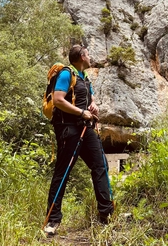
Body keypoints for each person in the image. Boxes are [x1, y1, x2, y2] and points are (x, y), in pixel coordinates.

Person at [43, 44, 114, 237]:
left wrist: (92, 105)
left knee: (101, 165)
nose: (91, 57)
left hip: (86, 128)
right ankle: (53, 220)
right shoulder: (66, 74)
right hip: (69, 130)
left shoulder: (84, 78)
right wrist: (82, 112)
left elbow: (86, 99)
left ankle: (105, 213)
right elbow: (58, 99)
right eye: (88, 54)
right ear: (82, 56)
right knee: (63, 172)